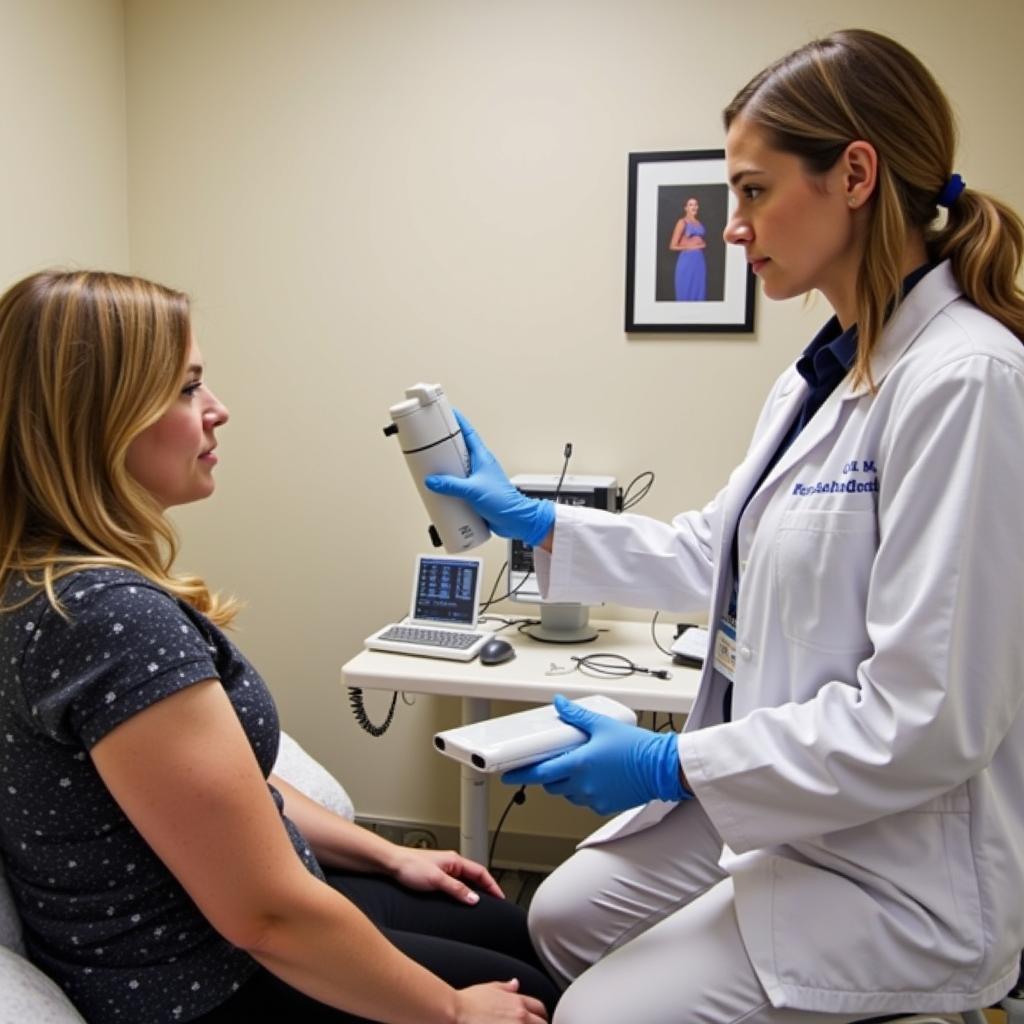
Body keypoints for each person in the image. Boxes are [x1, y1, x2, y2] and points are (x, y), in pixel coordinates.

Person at [426, 28, 1024, 1024]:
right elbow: (720, 553)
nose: (731, 224)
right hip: (788, 799)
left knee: (590, 1012)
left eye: (751, 190)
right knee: (561, 918)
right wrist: (539, 526)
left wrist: (671, 765)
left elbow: (926, 719)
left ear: (854, 174)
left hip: (896, 861)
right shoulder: (825, 372)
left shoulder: (964, 382)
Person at [0, 270, 556, 1024]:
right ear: (99, 420)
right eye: (188, 388)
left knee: (515, 929)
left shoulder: (42, 581)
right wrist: (455, 1014)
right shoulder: (106, 622)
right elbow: (265, 916)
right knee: (540, 995)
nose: (218, 410)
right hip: (200, 983)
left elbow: (234, 795)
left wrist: (387, 853)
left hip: (226, 926)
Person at [669, 196, 707, 300]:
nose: (693, 207)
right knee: (685, 291)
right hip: (686, 261)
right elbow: (672, 245)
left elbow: (701, 241)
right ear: (686, 208)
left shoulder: (699, 223)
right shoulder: (682, 222)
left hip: (699, 262)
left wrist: (701, 244)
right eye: (690, 205)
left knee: (699, 291)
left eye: (695, 204)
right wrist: (689, 247)